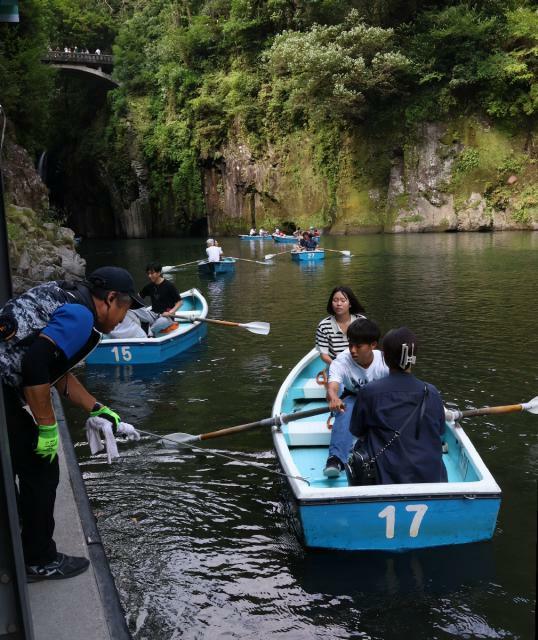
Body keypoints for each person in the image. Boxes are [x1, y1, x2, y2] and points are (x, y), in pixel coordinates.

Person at [0, 266, 144, 581]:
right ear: (110, 299)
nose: (124, 318)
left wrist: (98, 408)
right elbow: (35, 364)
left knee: (31, 462)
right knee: (42, 465)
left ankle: (23, 537)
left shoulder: (70, 300)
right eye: (125, 309)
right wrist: (48, 427)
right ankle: (39, 560)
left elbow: (54, 371)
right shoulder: (82, 318)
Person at [350, 327, 448, 484]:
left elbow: (357, 431)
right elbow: (440, 432)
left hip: (386, 477)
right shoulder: (432, 392)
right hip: (431, 476)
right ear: (413, 357)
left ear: (385, 358)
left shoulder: (369, 392)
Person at [323, 319, 389, 478]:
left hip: (380, 399)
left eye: (358, 346)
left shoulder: (385, 361)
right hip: (354, 397)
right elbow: (332, 387)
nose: (352, 350)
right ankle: (336, 459)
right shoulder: (341, 361)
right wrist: (333, 398)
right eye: (350, 344)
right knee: (344, 411)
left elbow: (401, 386)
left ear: (373, 345)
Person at [316, 286, 367, 367]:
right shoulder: (324, 326)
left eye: (343, 300)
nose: (339, 304)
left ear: (350, 304)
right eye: (335, 300)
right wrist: (338, 367)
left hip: (360, 364)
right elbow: (324, 355)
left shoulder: (361, 321)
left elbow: (367, 347)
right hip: (336, 365)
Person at [137, 262, 183, 336]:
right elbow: (138, 297)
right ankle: (147, 329)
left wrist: (171, 312)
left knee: (162, 322)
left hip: (167, 317)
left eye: (152, 273)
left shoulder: (169, 286)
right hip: (154, 314)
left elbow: (180, 302)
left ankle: (148, 334)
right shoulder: (149, 286)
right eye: (148, 273)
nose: (149, 276)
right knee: (136, 313)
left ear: (159, 273)